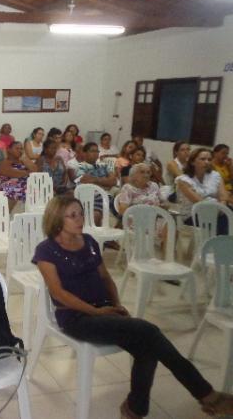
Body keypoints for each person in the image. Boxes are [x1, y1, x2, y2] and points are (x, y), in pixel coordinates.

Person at [33, 195, 233, 419]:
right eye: (72, 215)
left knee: (146, 347)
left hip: (105, 311)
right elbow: (59, 294)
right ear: (57, 219)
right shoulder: (46, 250)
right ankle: (206, 395)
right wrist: (97, 312)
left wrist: (116, 305)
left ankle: (135, 410)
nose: (79, 219)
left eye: (80, 213)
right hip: (77, 319)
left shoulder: (88, 241)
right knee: (149, 332)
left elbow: (106, 278)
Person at [176, 148, 232, 234]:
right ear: (192, 162)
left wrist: (221, 209)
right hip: (194, 214)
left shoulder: (215, 175)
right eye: (203, 159)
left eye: (209, 159)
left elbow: (223, 197)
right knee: (222, 226)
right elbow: (200, 203)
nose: (207, 162)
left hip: (218, 211)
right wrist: (217, 210)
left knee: (228, 215)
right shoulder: (183, 180)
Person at [75, 142, 118, 225]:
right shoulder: (81, 166)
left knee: (121, 192)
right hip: (92, 194)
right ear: (84, 153)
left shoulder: (104, 165)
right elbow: (85, 181)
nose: (96, 154)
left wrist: (95, 180)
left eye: (97, 151)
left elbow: (114, 181)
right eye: (92, 151)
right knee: (102, 196)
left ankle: (121, 216)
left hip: (108, 191)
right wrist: (106, 182)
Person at [0, 141, 37, 211]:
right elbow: (14, 173)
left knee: (35, 192)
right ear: (9, 150)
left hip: (26, 185)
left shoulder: (24, 161)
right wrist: (28, 172)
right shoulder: (5, 162)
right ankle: (9, 214)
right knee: (15, 191)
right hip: (9, 185)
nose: (20, 151)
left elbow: (35, 170)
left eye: (21, 149)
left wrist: (25, 159)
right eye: (17, 148)